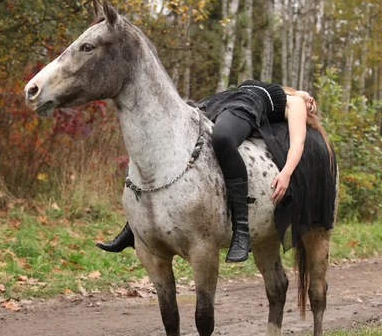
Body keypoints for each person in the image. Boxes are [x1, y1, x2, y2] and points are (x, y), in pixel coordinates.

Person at [96, 79, 336, 262]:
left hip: (244, 108)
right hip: (218, 101)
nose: (311, 102)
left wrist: (286, 173)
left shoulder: (294, 104)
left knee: (222, 139)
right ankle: (133, 226)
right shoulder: (279, 89)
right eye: (310, 99)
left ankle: (241, 229)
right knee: (170, 137)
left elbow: (298, 143)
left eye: (313, 107)